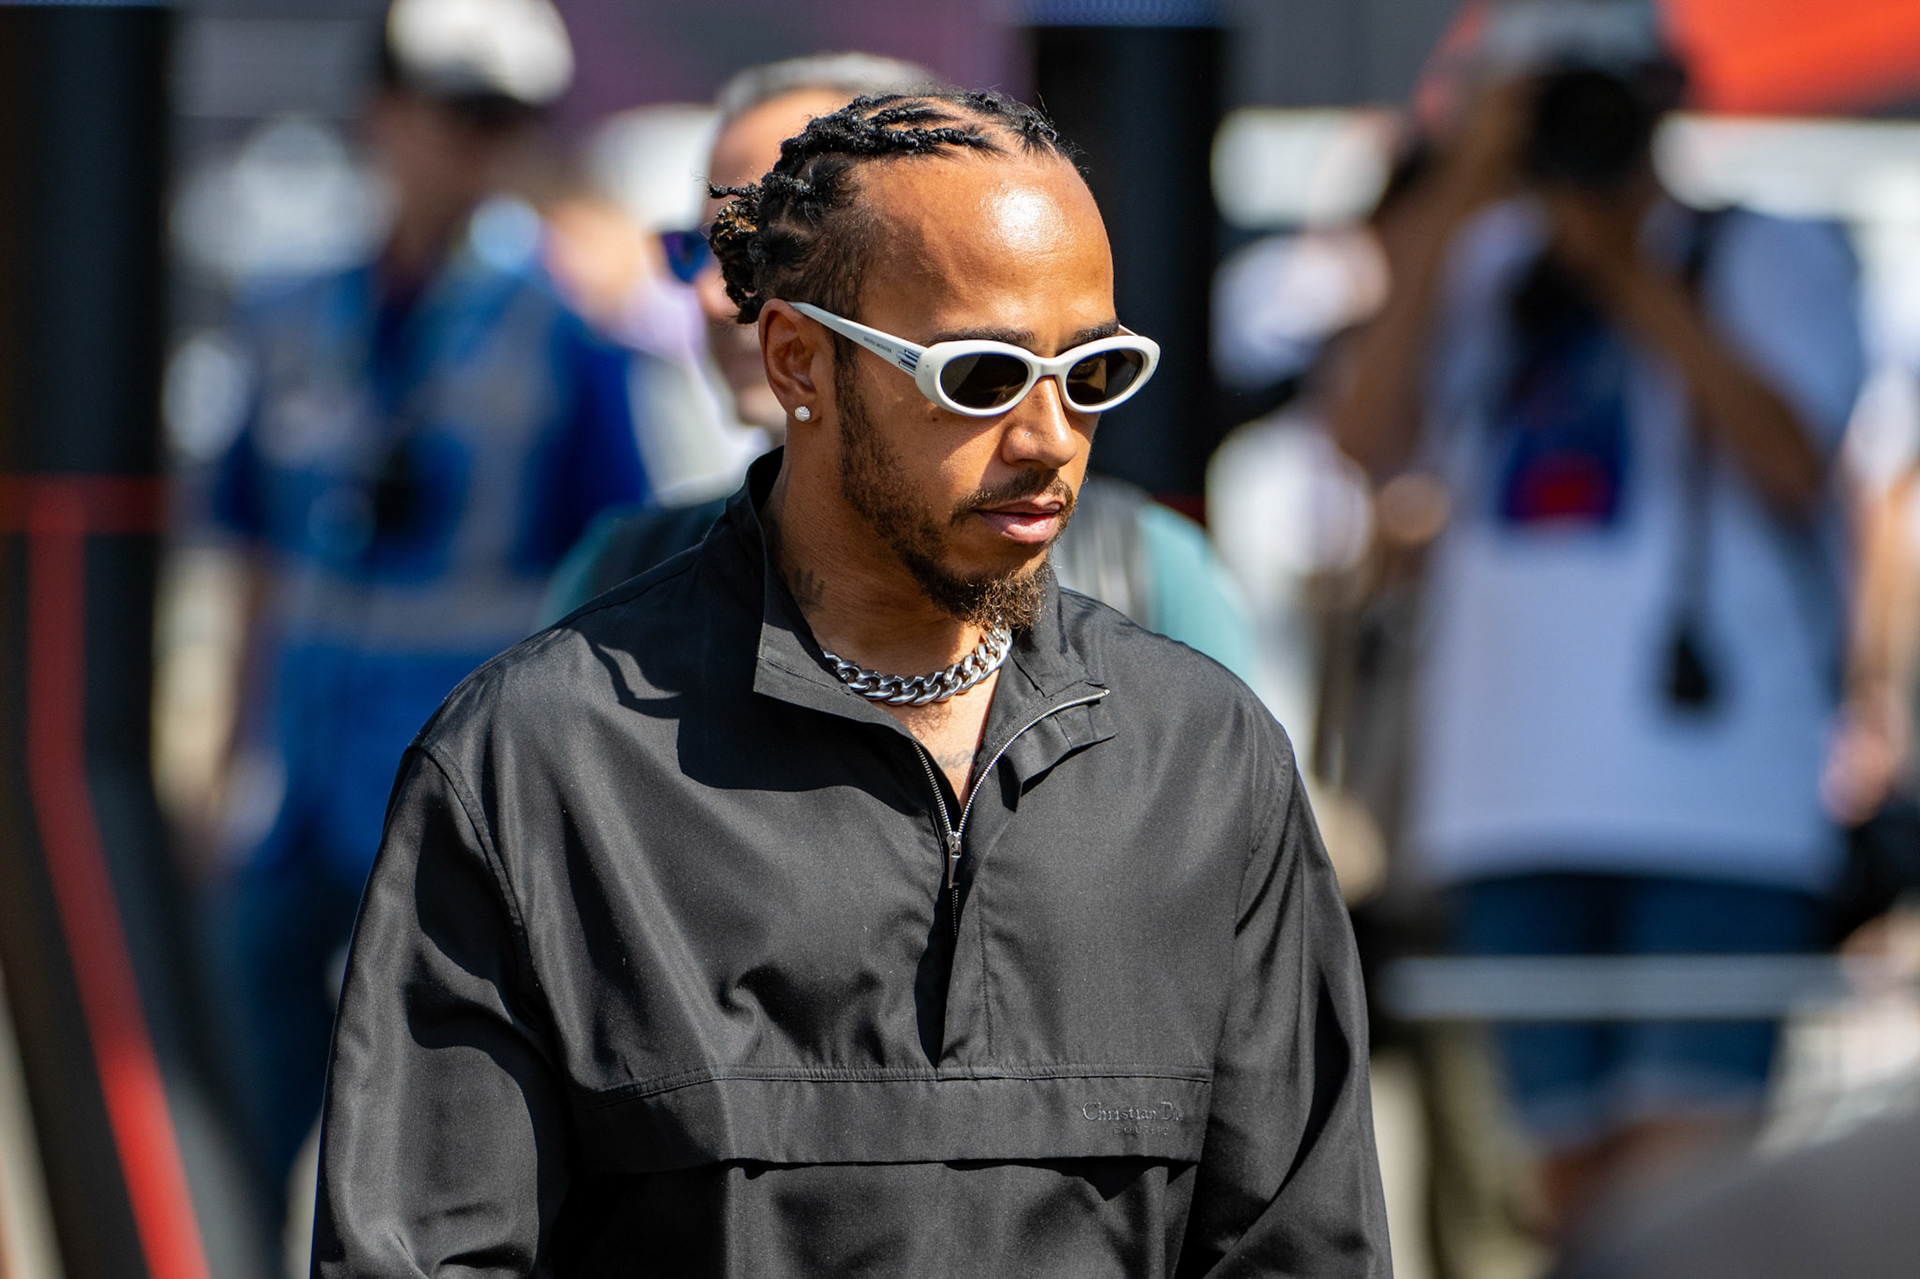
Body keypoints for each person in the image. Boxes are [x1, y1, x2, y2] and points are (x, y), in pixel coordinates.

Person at [313, 90, 1389, 1275]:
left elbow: (1303, 1245)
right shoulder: (535, 767)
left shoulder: (1205, 761)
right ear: (797, 360)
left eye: (1093, 371)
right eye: (980, 376)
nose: (1050, 437)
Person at [1329, 2, 1865, 1237]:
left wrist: (1626, 259)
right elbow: (1366, 441)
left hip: (1716, 796)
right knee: (1567, 1202)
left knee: (1695, 1193)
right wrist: (1465, 184)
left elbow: (1792, 459)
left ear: (1667, 97)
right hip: (1508, 795)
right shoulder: (1479, 264)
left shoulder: (1764, 249)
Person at [206, 0, 650, 1223]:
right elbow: (250, 548)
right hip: (292, 787)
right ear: (381, 110)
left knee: (418, 1128)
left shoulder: (572, 334)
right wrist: (225, 759)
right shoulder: (291, 312)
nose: (477, 142)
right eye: (456, 108)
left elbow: (615, 576)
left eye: (507, 117)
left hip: (455, 789)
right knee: (236, 1118)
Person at [541, 55, 1259, 683]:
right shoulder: (618, 576)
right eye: (698, 249)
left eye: (779, 249)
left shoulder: (1142, 571)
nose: (713, 293)